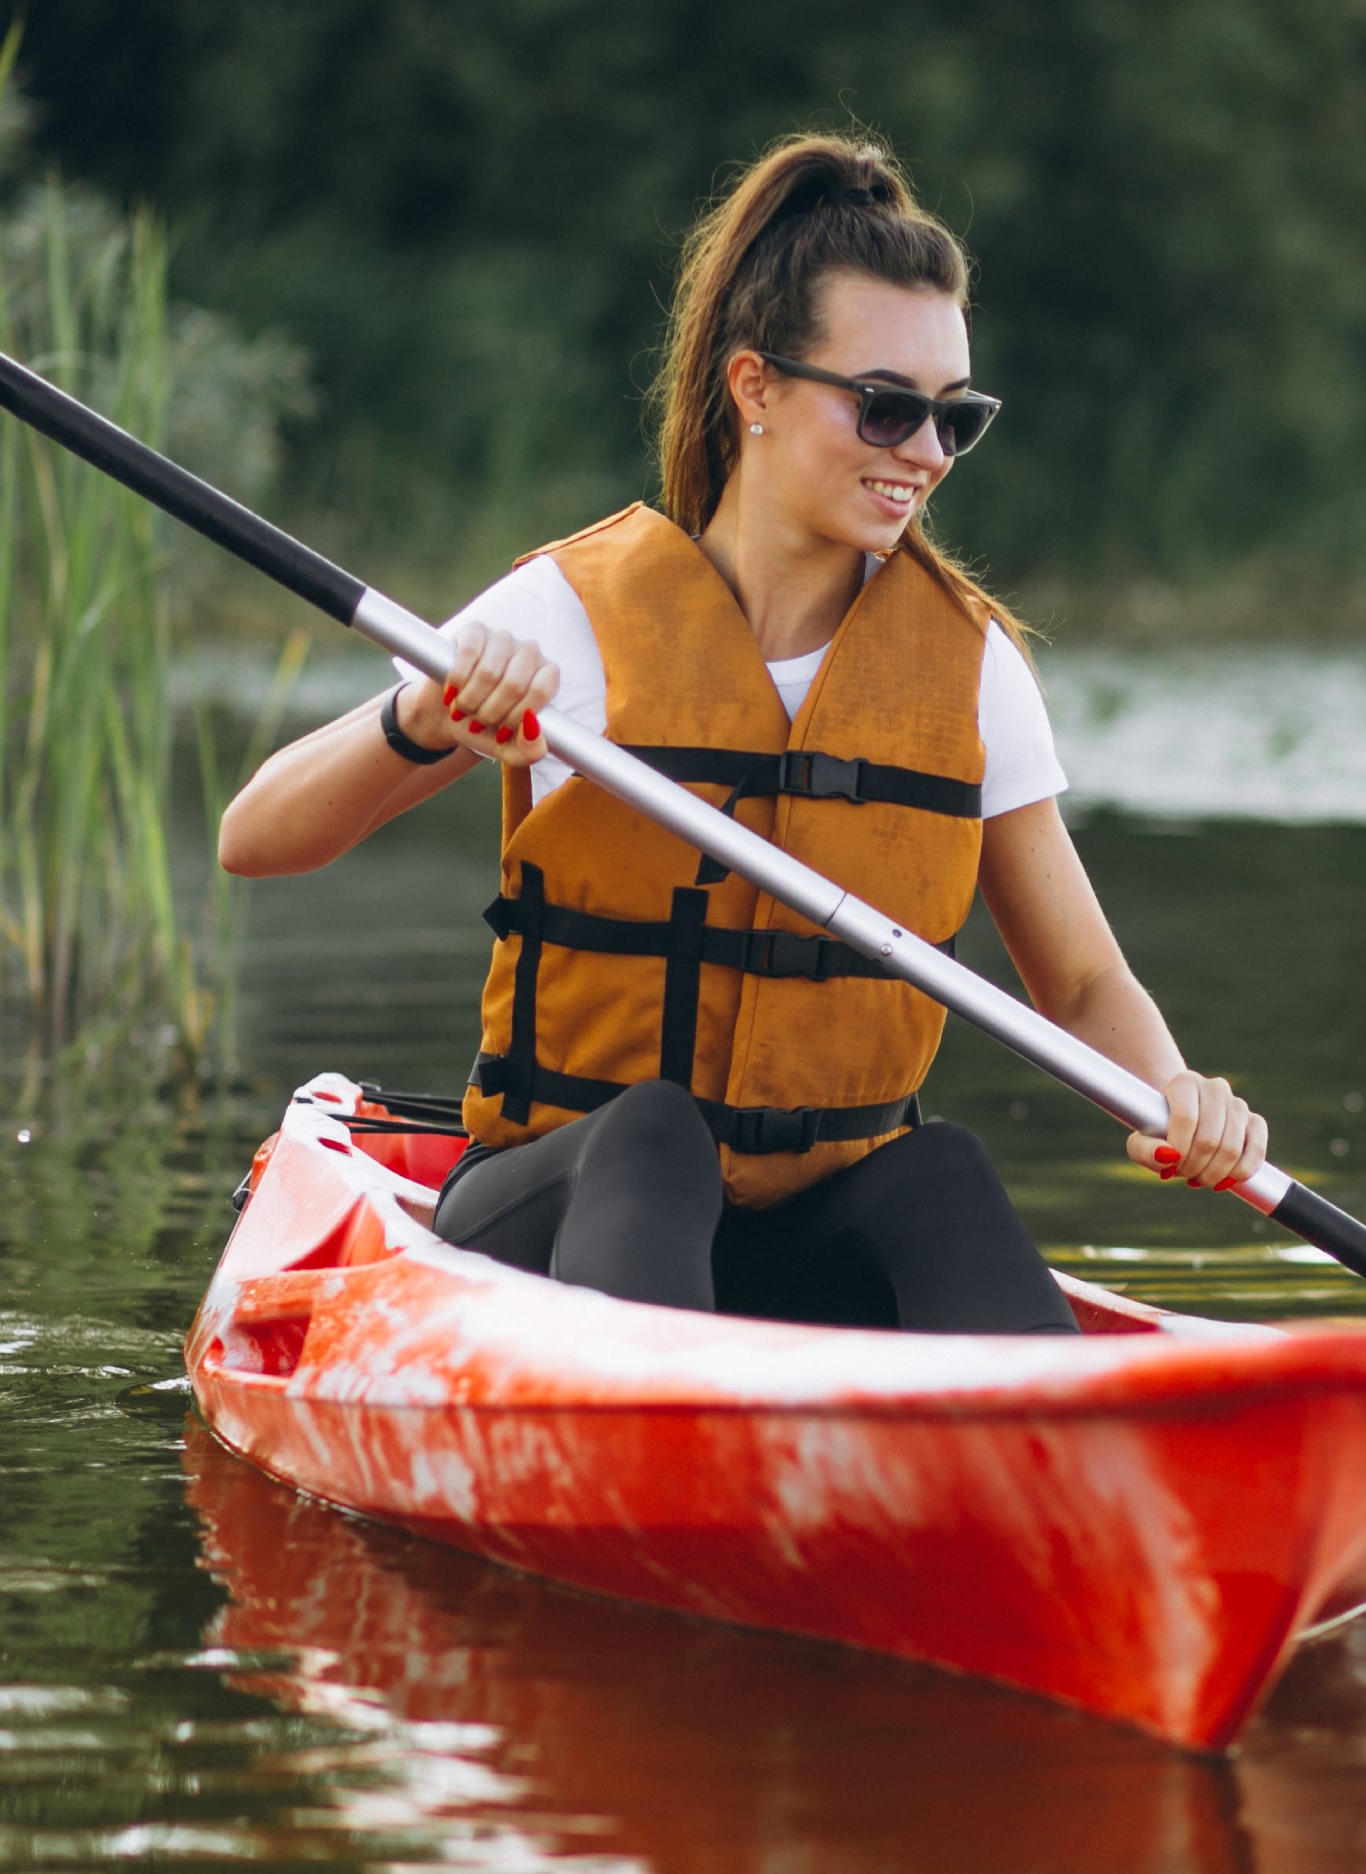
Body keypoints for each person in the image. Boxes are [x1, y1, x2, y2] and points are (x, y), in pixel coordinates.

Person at [218, 134, 1267, 1333]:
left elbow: (1080, 982)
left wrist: (1179, 1092)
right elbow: (258, 838)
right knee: (654, 1132)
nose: (923, 454)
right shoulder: (569, 616)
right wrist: (423, 715)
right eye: (884, 409)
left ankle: (1065, 1469)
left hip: (802, 1233)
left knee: (939, 1171)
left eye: (953, 419)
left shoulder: (969, 668)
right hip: (555, 1217)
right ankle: (643, 1429)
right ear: (754, 386)